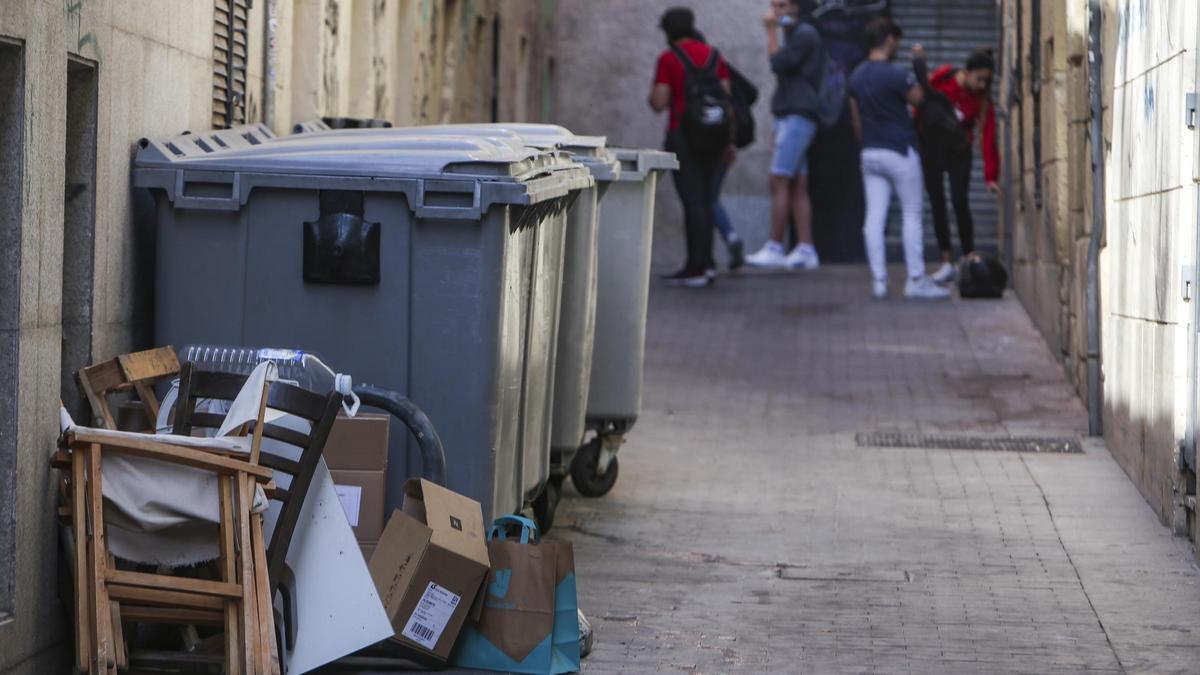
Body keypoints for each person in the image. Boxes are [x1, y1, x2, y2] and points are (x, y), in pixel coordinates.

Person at [848, 18, 949, 300]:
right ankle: (915, 279)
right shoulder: (894, 75)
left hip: (870, 152)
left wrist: (868, 143)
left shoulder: (855, 77)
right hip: (899, 151)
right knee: (912, 214)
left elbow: (855, 120)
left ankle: (879, 281)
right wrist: (919, 65)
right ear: (890, 40)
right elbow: (919, 99)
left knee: (874, 219)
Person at [650, 7, 732, 288]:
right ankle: (708, 264)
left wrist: (658, 94)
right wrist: (728, 142)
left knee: (693, 201)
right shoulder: (713, 55)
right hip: (715, 136)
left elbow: (659, 102)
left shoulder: (669, 59)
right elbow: (727, 96)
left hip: (682, 136)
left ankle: (695, 268)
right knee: (707, 199)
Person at [912, 44, 1000, 284]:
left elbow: (988, 135)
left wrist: (991, 176)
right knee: (937, 201)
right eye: (979, 79)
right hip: (932, 148)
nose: (982, 85)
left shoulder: (982, 100)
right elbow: (922, 94)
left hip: (960, 151)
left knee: (960, 202)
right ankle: (946, 261)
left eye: (986, 81)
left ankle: (969, 259)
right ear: (967, 71)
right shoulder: (946, 76)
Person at [746, 0, 824, 271]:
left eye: (781, 5)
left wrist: (770, 30)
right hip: (792, 115)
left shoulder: (803, 34)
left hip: (797, 115)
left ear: (794, 7)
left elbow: (778, 63)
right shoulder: (797, 33)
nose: (775, 11)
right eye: (773, 5)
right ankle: (805, 248)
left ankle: (775, 246)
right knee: (797, 183)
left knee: (778, 179)